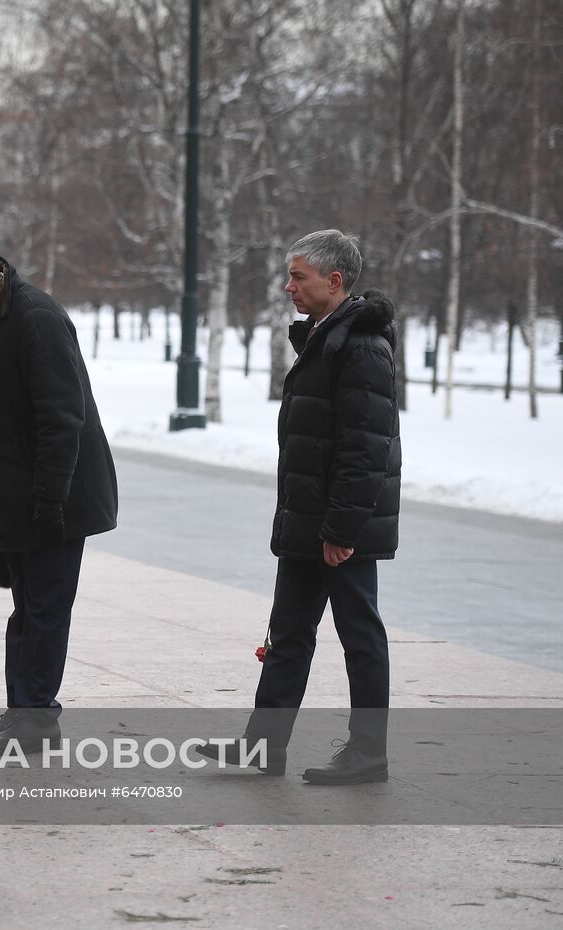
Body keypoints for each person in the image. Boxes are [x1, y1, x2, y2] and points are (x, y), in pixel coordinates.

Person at [197, 229, 400, 785]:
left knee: (359, 635)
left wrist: (341, 529)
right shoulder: (323, 338)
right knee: (288, 632)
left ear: (334, 282)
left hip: (340, 527)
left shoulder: (359, 347)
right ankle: (263, 748)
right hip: (310, 521)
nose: (288, 287)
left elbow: (365, 449)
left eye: (298, 277)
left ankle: (368, 754)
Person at [0, 249, 118, 750]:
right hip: (18, 495)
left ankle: (36, 720)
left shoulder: (36, 318)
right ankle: (24, 714)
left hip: (58, 495)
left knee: (45, 610)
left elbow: (62, 418)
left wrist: (50, 502)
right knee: (27, 610)